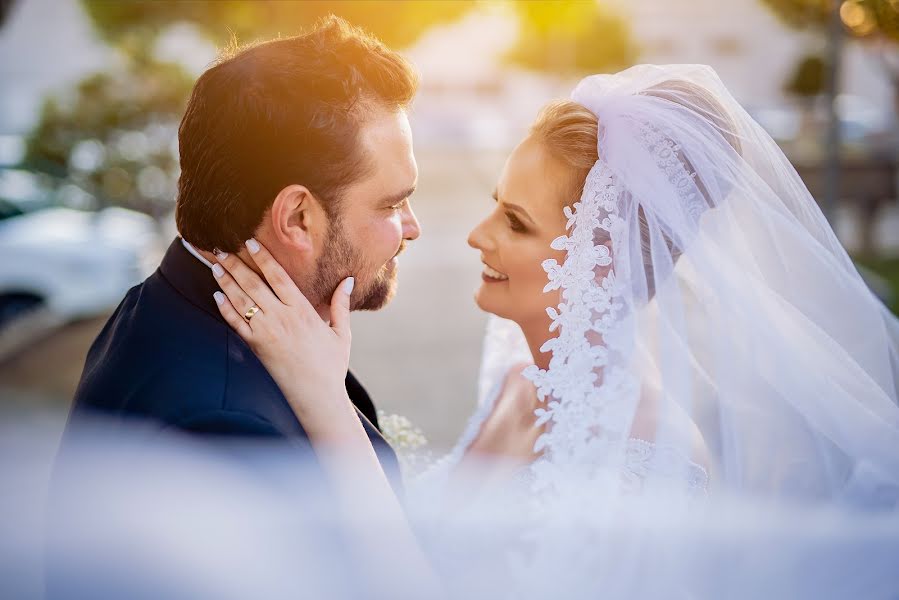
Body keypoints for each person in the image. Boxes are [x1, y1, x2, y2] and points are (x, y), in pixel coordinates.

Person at [212, 64, 899, 516]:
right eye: (494, 204)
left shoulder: (649, 449)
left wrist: (323, 402)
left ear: (601, 261)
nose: (476, 236)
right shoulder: (519, 381)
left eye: (515, 222)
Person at [62, 17, 422, 491]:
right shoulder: (223, 428)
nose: (412, 229)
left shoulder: (161, 303)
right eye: (391, 204)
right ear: (296, 218)